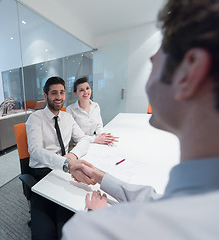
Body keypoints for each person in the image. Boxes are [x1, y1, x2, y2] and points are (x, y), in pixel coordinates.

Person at [62, 0, 219, 239]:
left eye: (154, 60)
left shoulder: (90, 231)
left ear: (190, 72)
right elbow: (159, 201)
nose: (149, 72)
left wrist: (94, 216)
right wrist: (102, 177)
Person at [26, 76, 94, 240]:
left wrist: (72, 156)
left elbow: (84, 139)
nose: (59, 97)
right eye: (54, 93)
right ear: (45, 96)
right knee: (45, 235)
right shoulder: (35, 118)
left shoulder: (67, 118)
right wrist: (66, 164)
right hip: (42, 174)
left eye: (62, 93)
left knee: (67, 229)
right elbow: (35, 150)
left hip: (63, 172)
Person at [66, 77, 118, 145]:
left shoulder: (95, 106)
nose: (86, 92)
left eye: (87, 88)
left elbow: (98, 126)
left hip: (94, 142)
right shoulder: (70, 110)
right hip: (78, 145)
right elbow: (76, 136)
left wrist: (103, 136)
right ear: (76, 93)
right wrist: (96, 139)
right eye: (81, 90)